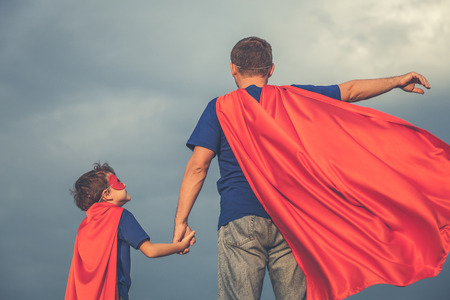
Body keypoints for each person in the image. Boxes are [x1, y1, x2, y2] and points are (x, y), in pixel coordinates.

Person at [172, 36, 440, 300]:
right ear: (271, 69)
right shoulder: (293, 97)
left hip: (240, 218)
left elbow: (199, 166)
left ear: (232, 68)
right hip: (292, 219)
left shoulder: (219, 108)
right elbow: (350, 91)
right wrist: (396, 81)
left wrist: (181, 221)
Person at [65, 162, 195, 300]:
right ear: (107, 194)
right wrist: (180, 246)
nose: (124, 184)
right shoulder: (120, 216)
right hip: (114, 293)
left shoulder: (84, 226)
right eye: (117, 181)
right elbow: (150, 251)